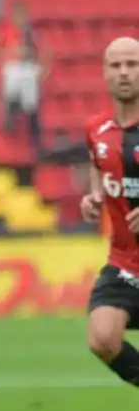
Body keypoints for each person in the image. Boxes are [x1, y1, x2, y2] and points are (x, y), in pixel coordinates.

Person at [83, 37, 139, 388]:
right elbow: (100, 171)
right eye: (116, 66)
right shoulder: (97, 130)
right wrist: (92, 198)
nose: (124, 73)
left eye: (132, 65)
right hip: (125, 263)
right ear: (104, 73)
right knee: (102, 338)